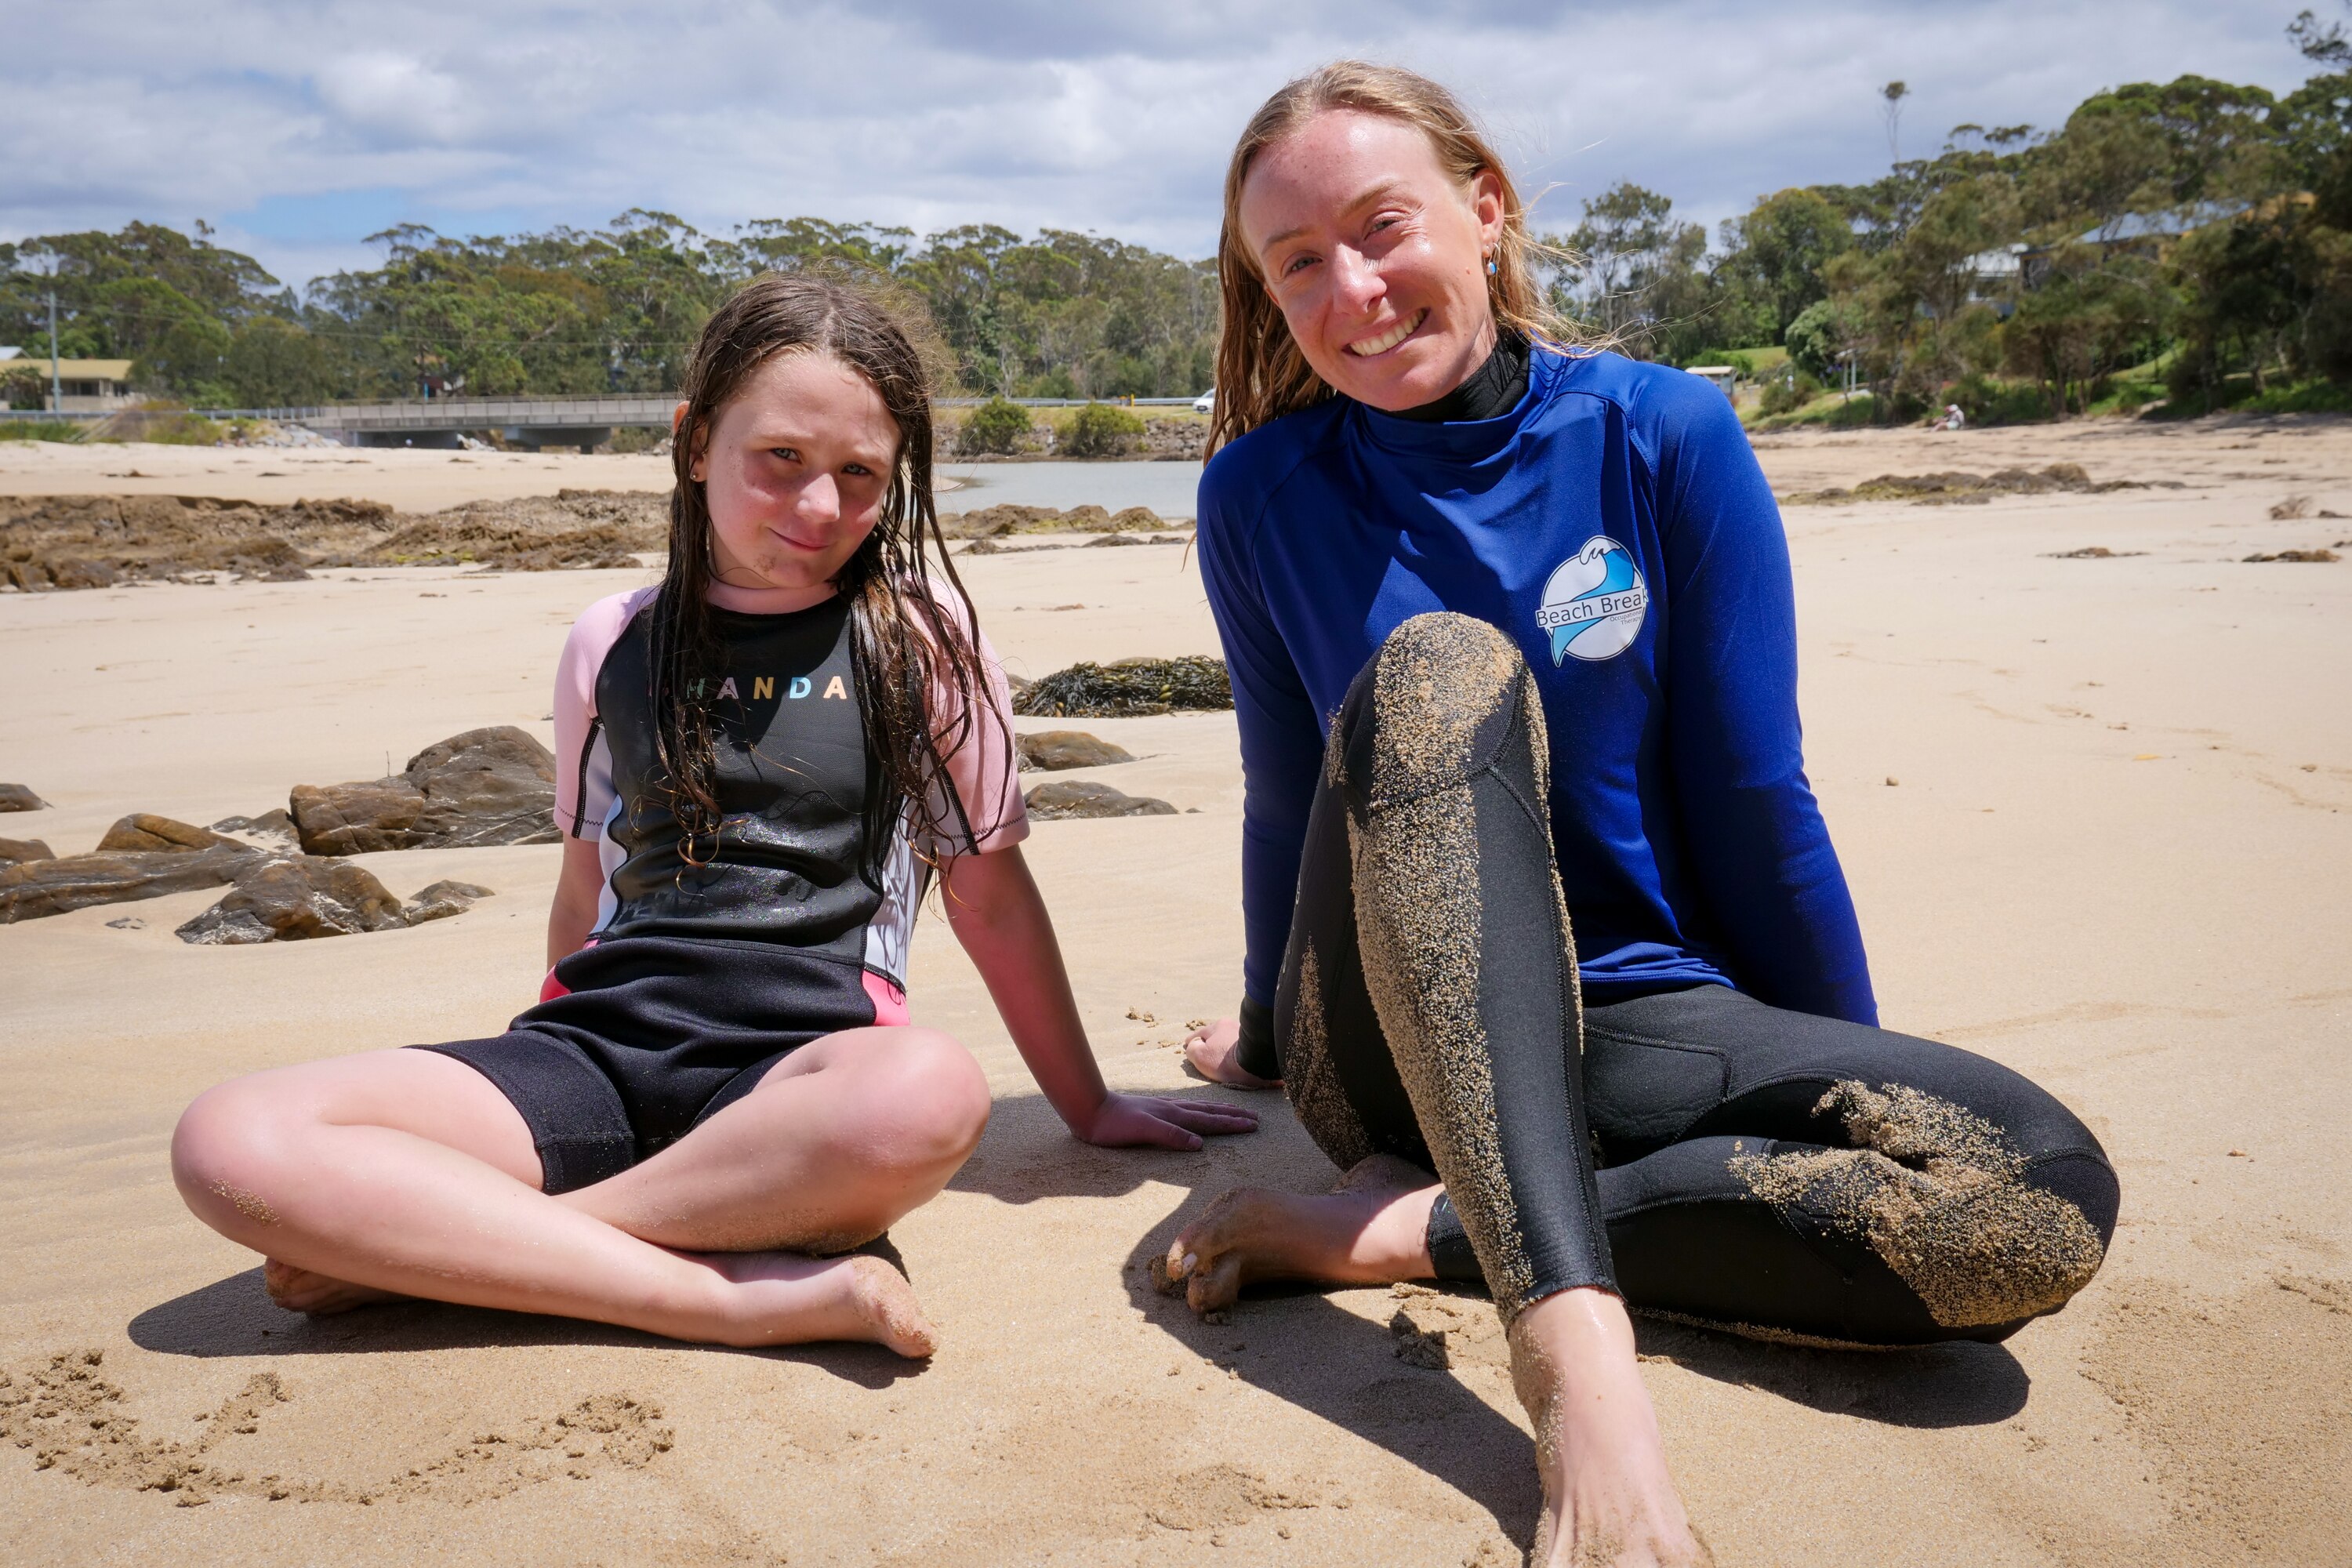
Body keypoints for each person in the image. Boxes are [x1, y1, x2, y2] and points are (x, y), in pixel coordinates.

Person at [1160, 62, 2118, 1567]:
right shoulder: (1259, 495)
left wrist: (1840, 1068)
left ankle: (1407, 1234)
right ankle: (1576, 1364)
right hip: (1391, 1048)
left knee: (2033, 1196)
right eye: (1298, 264)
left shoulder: (1661, 432)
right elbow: (1290, 801)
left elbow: (1753, 793)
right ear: (1267, 291)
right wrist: (1270, 1037)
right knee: (1438, 674)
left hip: (1631, 1013)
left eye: (1382, 227)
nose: (1351, 289)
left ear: (1486, 209)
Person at [171, 275, 1255, 1359]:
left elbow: (989, 893)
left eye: (860, 474)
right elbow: (585, 885)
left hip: (805, 1080)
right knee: (230, 1136)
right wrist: (541, 1056)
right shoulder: (614, 638)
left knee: (930, 1093)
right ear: (694, 441)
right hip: (595, 1055)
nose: (819, 507)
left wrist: (1089, 1103)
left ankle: (476, 1255)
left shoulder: (923, 640)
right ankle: (725, 1295)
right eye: (779, 457)